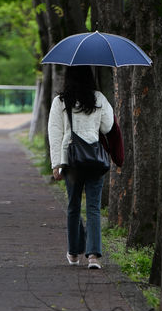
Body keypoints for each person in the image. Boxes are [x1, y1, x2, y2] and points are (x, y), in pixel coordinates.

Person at [47, 65, 114, 270]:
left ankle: (74, 253)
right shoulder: (99, 98)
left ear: (68, 77)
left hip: (72, 160)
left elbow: (55, 132)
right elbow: (108, 126)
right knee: (93, 207)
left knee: (73, 206)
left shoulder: (60, 102)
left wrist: (56, 164)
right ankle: (93, 256)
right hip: (94, 158)